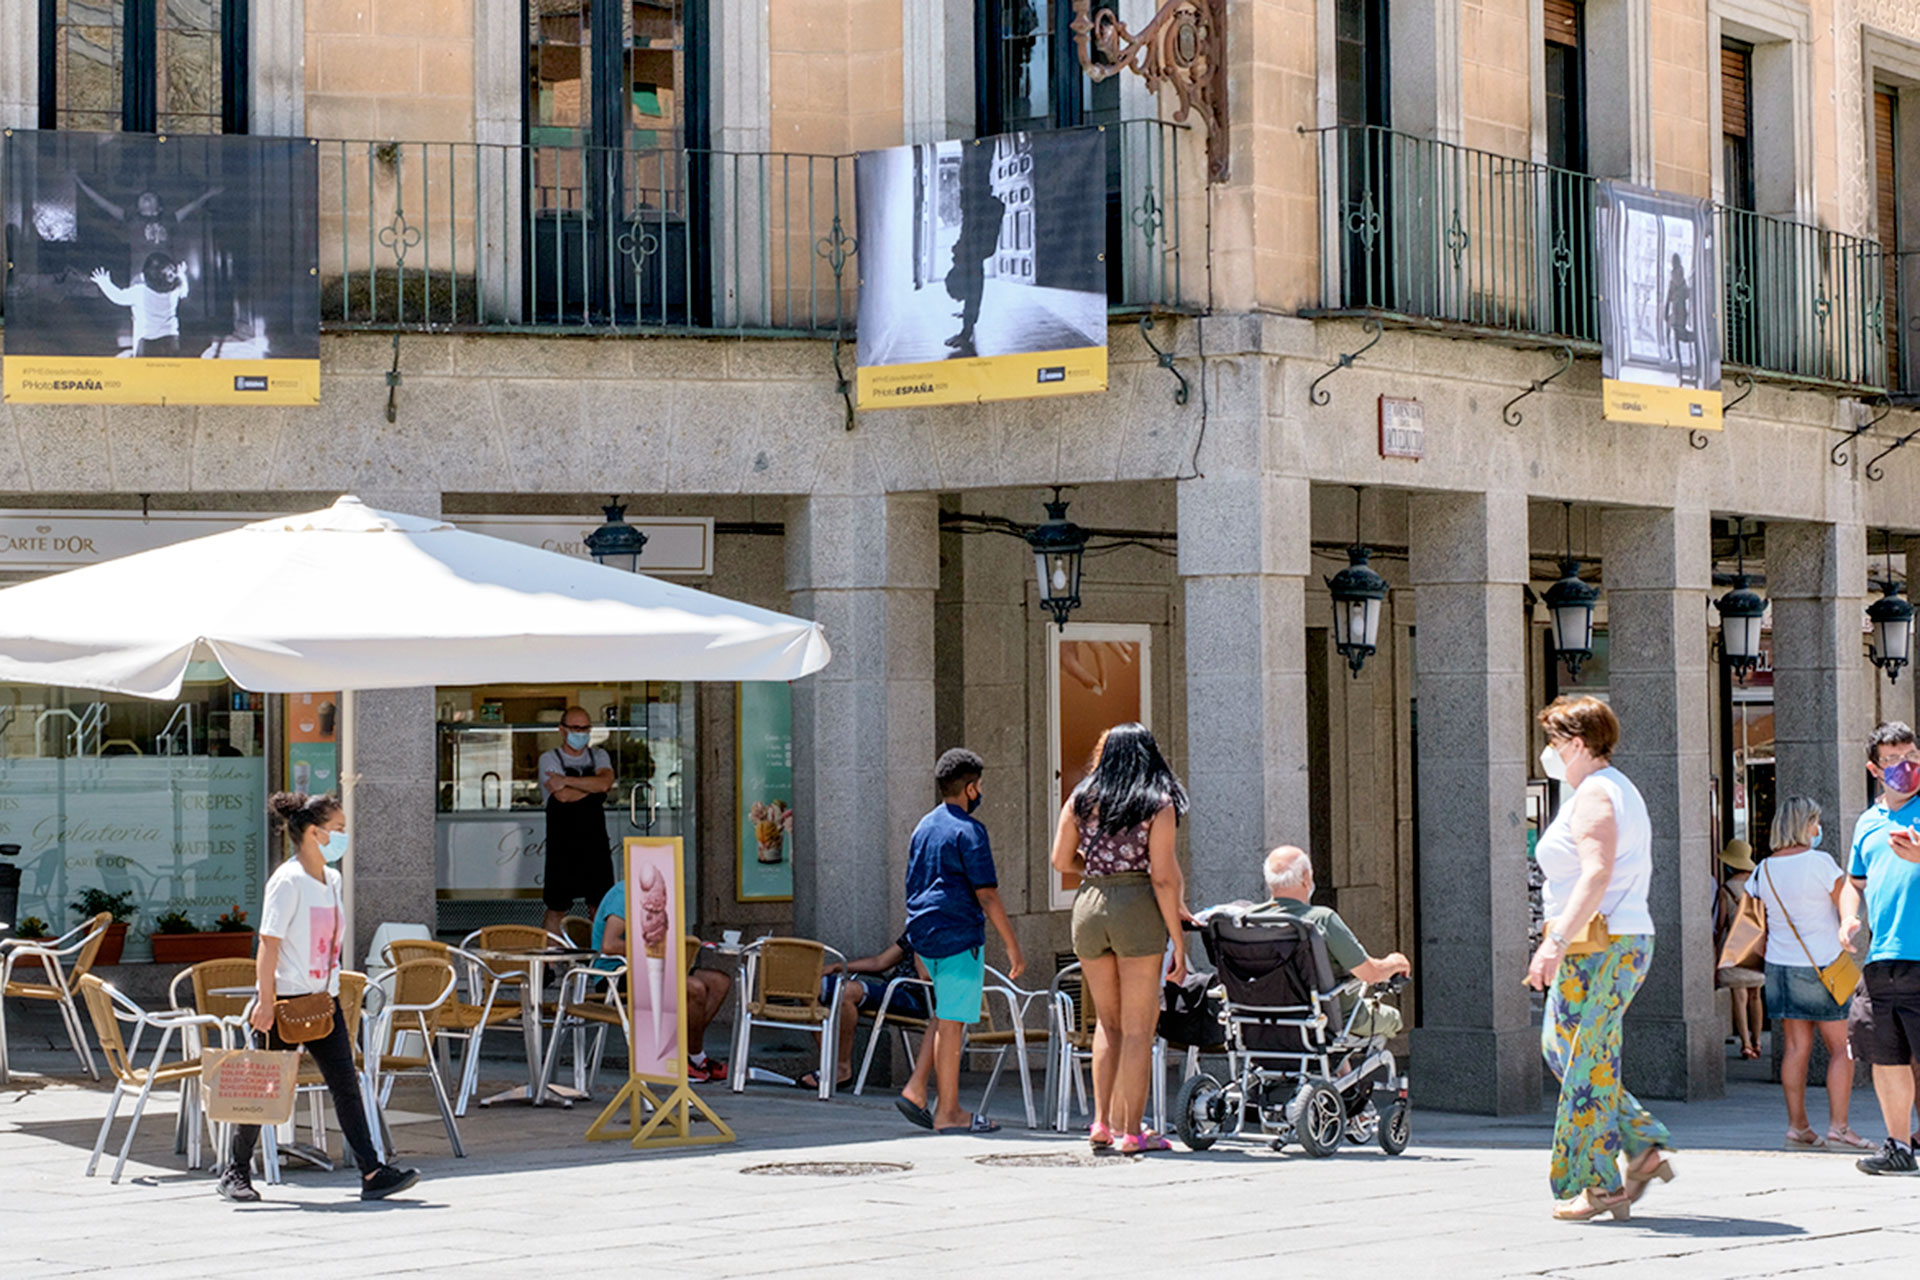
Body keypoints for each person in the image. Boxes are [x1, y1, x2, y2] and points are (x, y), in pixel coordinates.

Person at [217, 792, 418, 1203]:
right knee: (262, 1085)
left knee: (346, 1086)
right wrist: (265, 1001)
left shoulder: (333, 880)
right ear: (314, 832)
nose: (344, 836)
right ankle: (234, 1171)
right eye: (339, 829)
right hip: (287, 1000)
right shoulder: (287, 881)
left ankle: (372, 1171)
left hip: (322, 1001)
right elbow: (267, 945)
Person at [1525, 696, 1671, 1222]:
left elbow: (1596, 872)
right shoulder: (1612, 789)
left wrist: (1553, 942)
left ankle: (1600, 1182)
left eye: (1555, 741)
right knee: (1579, 1053)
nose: (1549, 751)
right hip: (1610, 941)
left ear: (1577, 744)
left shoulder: (1595, 795)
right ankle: (1641, 1144)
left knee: (1579, 1054)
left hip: (1599, 942)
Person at [1049, 723, 1190, 1154]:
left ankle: (1100, 1123)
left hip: (1089, 905)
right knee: (1137, 1028)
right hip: (1136, 906)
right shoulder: (1158, 804)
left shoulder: (1080, 798)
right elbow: (1163, 878)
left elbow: (1059, 860)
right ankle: (1133, 1131)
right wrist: (1178, 940)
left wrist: (1097, 866)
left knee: (1105, 1024)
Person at [896, 748, 1025, 1134]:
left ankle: (917, 1089)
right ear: (970, 788)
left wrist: (916, 944)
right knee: (953, 1024)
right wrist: (1012, 945)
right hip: (957, 933)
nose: (980, 791)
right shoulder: (970, 831)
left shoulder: (923, 827)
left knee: (945, 1013)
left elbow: (912, 885)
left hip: (924, 934)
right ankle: (948, 1112)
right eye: (980, 785)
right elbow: (986, 894)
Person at [1748, 796, 1870, 1151]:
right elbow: (1843, 900)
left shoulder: (1764, 869)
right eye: (1814, 822)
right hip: (1824, 966)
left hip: (1779, 967)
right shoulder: (1820, 863)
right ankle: (1840, 1127)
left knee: (1796, 1048)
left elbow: (1758, 922)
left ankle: (1797, 1126)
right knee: (1841, 1048)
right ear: (1803, 825)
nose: (1818, 829)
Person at [1840, 720, 1920, 1176]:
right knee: (1886, 1055)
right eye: (1893, 760)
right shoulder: (1869, 822)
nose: (1905, 767)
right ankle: (1898, 1147)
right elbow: (1854, 882)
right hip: (1882, 957)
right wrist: (1849, 916)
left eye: (1911, 756)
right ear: (1874, 768)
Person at [1249, 846, 1409, 1037]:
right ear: (1306, 878)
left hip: (1262, 1021)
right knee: (1392, 1018)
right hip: (1327, 1020)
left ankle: (1341, 1068)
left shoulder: (1246, 921)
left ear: (1269, 880)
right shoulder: (1321, 919)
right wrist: (1396, 962)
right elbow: (1371, 974)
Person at [591, 880, 732, 1082]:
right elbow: (610, 945)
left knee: (719, 982)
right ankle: (689, 1059)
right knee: (693, 988)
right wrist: (653, 946)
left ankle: (690, 1055)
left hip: (649, 966)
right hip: (615, 973)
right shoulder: (625, 894)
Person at [800, 931, 930, 1093]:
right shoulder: (918, 928)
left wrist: (920, 945)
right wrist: (838, 967)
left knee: (846, 992)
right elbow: (879, 962)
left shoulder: (946, 933)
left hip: (917, 1000)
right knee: (809, 988)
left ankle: (841, 1069)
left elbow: (926, 977)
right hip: (892, 990)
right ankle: (830, 1064)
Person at [541, 707, 617, 939]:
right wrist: (592, 788)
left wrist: (566, 781)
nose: (581, 733)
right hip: (562, 844)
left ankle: (597, 964)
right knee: (557, 906)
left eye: (585, 728)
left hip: (595, 843)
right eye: (576, 728)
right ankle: (550, 966)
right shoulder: (549, 758)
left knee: (599, 905)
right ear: (562, 731)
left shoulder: (600, 756)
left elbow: (605, 783)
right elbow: (562, 797)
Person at [942, 142, 1006, 358]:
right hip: (975, 192)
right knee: (977, 150)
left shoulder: (965, 257)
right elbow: (975, 294)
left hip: (971, 193)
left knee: (971, 150)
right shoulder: (971, 257)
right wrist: (966, 330)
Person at [1716, 839, 1764, 1060]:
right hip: (1756, 945)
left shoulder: (1726, 889)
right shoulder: (1758, 885)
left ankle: (1745, 1043)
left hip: (1734, 947)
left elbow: (1721, 923)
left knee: (1740, 996)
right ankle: (1758, 1040)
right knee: (1756, 996)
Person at [89, 254, 187, 356]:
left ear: (144, 278)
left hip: (147, 342)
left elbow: (117, 296)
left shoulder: (140, 292)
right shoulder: (176, 289)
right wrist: (181, 274)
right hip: (171, 340)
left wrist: (103, 282)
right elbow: (183, 289)